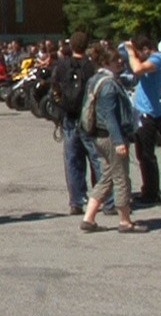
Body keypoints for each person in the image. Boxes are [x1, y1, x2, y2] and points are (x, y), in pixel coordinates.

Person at [79, 44, 145, 233]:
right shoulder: (108, 84)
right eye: (116, 59)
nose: (120, 61)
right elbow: (109, 116)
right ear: (106, 62)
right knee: (121, 178)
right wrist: (118, 141)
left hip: (99, 137)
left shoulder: (95, 80)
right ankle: (125, 220)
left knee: (107, 177)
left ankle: (89, 218)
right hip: (110, 137)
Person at [54, 31, 107, 216]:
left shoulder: (62, 65)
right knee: (97, 159)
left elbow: (54, 89)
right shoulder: (91, 67)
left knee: (72, 161)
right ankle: (104, 199)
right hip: (89, 118)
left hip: (69, 117)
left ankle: (76, 201)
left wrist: (59, 111)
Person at [125, 35, 161, 205]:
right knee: (141, 154)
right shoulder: (152, 60)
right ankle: (148, 189)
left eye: (138, 53)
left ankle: (152, 193)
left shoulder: (157, 59)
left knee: (147, 155)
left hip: (149, 114)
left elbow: (137, 69)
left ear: (146, 49)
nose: (137, 56)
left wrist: (130, 53)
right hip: (141, 113)